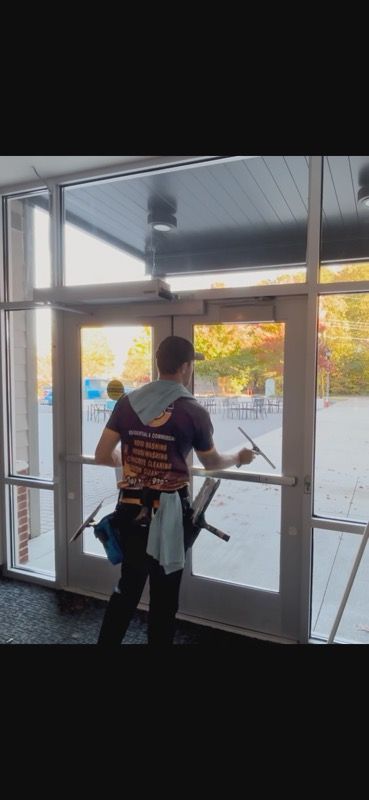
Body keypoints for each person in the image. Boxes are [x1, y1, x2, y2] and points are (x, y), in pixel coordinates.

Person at [94, 335, 255, 645]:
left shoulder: (126, 403)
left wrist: (126, 462)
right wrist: (240, 457)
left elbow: (103, 455)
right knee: (165, 597)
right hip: (168, 513)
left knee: (128, 588)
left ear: (157, 363)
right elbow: (211, 462)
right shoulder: (192, 410)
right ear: (185, 366)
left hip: (130, 507)